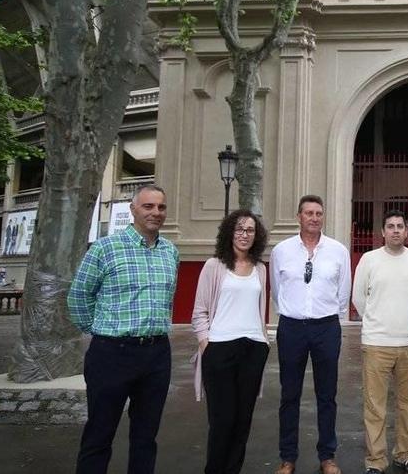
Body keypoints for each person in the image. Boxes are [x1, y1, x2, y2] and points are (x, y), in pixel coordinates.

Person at [68, 184, 178, 474]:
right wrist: (100, 330)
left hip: (156, 354)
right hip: (111, 354)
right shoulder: (106, 248)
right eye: (148, 206)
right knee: (99, 434)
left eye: (161, 207)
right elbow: (79, 296)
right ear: (133, 210)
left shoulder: (170, 252)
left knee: (146, 436)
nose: (156, 212)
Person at [270, 195, 351, 474]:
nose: (314, 218)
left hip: (326, 328)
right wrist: (293, 313)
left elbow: (344, 292)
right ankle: (287, 458)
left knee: (327, 395)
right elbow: (277, 290)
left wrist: (327, 313)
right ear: (299, 216)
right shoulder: (281, 250)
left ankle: (327, 456)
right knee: (289, 395)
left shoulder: (338, 250)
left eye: (318, 213)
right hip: (291, 328)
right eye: (308, 213)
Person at [192, 209, 270, 474]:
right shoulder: (214, 266)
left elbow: (259, 309)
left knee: (242, 420)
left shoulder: (260, 269)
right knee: (222, 420)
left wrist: (264, 342)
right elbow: (199, 311)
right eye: (239, 229)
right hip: (219, 349)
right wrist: (206, 344)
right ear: (229, 233)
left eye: (249, 230)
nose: (244, 235)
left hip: (253, 349)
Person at [352, 209, 408, 474]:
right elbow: (359, 298)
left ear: (407, 231)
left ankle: (405, 454)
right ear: (382, 232)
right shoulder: (369, 260)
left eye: (400, 226)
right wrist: (375, 322)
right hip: (377, 342)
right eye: (390, 226)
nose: (396, 230)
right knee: (375, 406)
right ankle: (376, 460)